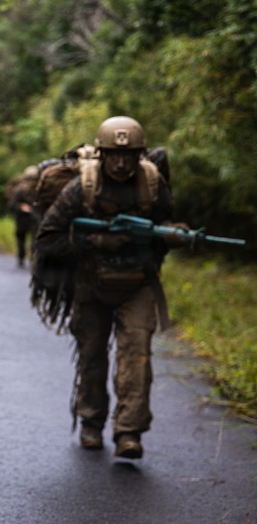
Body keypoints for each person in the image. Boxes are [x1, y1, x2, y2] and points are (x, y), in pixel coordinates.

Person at [34, 116, 189, 459]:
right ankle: (91, 423)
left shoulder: (153, 183)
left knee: (137, 357)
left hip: (138, 285)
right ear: (102, 154)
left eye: (128, 155)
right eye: (114, 155)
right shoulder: (82, 187)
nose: (121, 162)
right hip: (91, 285)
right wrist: (96, 241)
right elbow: (47, 239)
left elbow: (163, 221)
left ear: (139, 155)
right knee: (92, 357)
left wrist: (173, 233)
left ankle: (128, 432)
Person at [6, 165, 40, 267]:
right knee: (21, 238)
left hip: (34, 218)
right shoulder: (20, 190)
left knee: (35, 239)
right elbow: (12, 205)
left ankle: (33, 258)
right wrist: (21, 207)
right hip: (22, 218)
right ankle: (21, 257)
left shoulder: (40, 189)